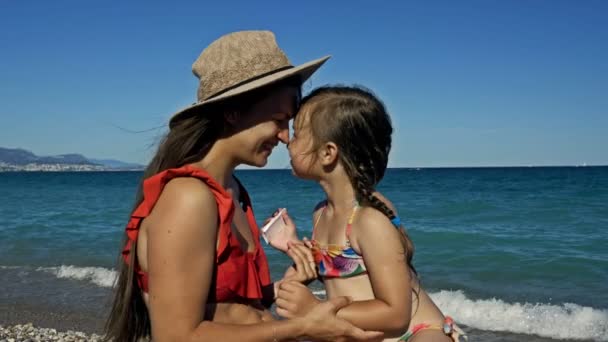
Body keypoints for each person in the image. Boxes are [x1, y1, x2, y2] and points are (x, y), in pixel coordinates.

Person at [104, 31, 384, 342]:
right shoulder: (188, 197)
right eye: (278, 119)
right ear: (232, 112)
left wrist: (287, 287)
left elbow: (229, 307)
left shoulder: (233, 191)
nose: (285, 136)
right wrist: (303, 326)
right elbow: (176, 335)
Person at [268, 86, 467, 341]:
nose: (287, 140)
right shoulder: (321, 214)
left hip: (417, 332)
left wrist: (315, 310)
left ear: (328, 153)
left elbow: (396, 314)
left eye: (296, 134)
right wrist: (296, 249)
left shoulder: (368, 219)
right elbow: (341, 268)